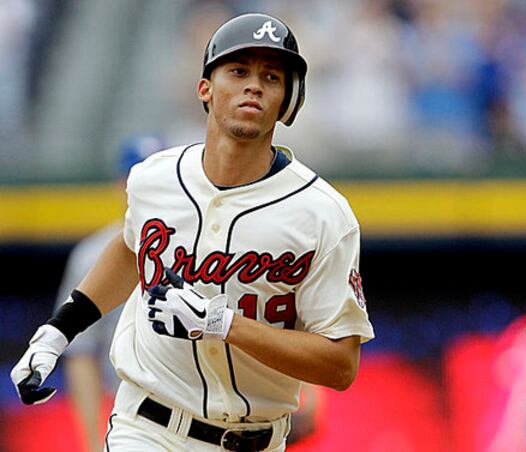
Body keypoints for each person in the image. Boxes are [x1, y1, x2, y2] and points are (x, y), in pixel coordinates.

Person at [11, 13, 374, 452]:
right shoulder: (155, 179)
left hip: (257, 438)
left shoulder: (322, 213)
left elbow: (340, 365)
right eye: (238, 71)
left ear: (287, 101)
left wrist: (221, 324)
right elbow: (132, 249)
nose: (254, 85)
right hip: (146, 427)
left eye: (271, 76)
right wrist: (59, 330)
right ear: (205, 88)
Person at [55, 136, 164, 452]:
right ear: (121, 184)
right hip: (128, 412)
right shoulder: (92, 256)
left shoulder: (202, 252)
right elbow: (81, 354)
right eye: (137, 179)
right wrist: (91, 439)